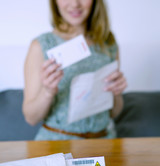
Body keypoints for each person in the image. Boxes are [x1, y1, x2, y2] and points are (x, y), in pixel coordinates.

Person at [23, 0, 127, 140]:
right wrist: (47, 92)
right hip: (56, 143)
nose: (75, 3)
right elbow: (31, 118)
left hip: (103, 141)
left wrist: (116, 92)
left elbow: (113, 112)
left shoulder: (108, 42)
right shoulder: (42, 45)